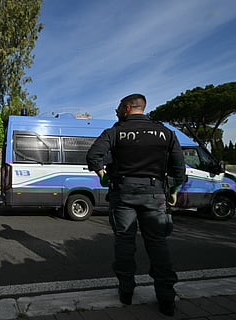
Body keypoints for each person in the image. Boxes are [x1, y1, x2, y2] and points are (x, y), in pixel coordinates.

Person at [86, 93, 185, 316]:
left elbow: (93, 156)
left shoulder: (115, 132)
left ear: (128, 108)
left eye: (119, 108)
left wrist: (103, 174)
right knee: (158, 244)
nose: (118, 112)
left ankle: (126, 292)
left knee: (124, 242)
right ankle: (167, 299)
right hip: (155, 194)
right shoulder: (166, 133)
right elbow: (179, 170)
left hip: (123, 194)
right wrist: (174, 191)